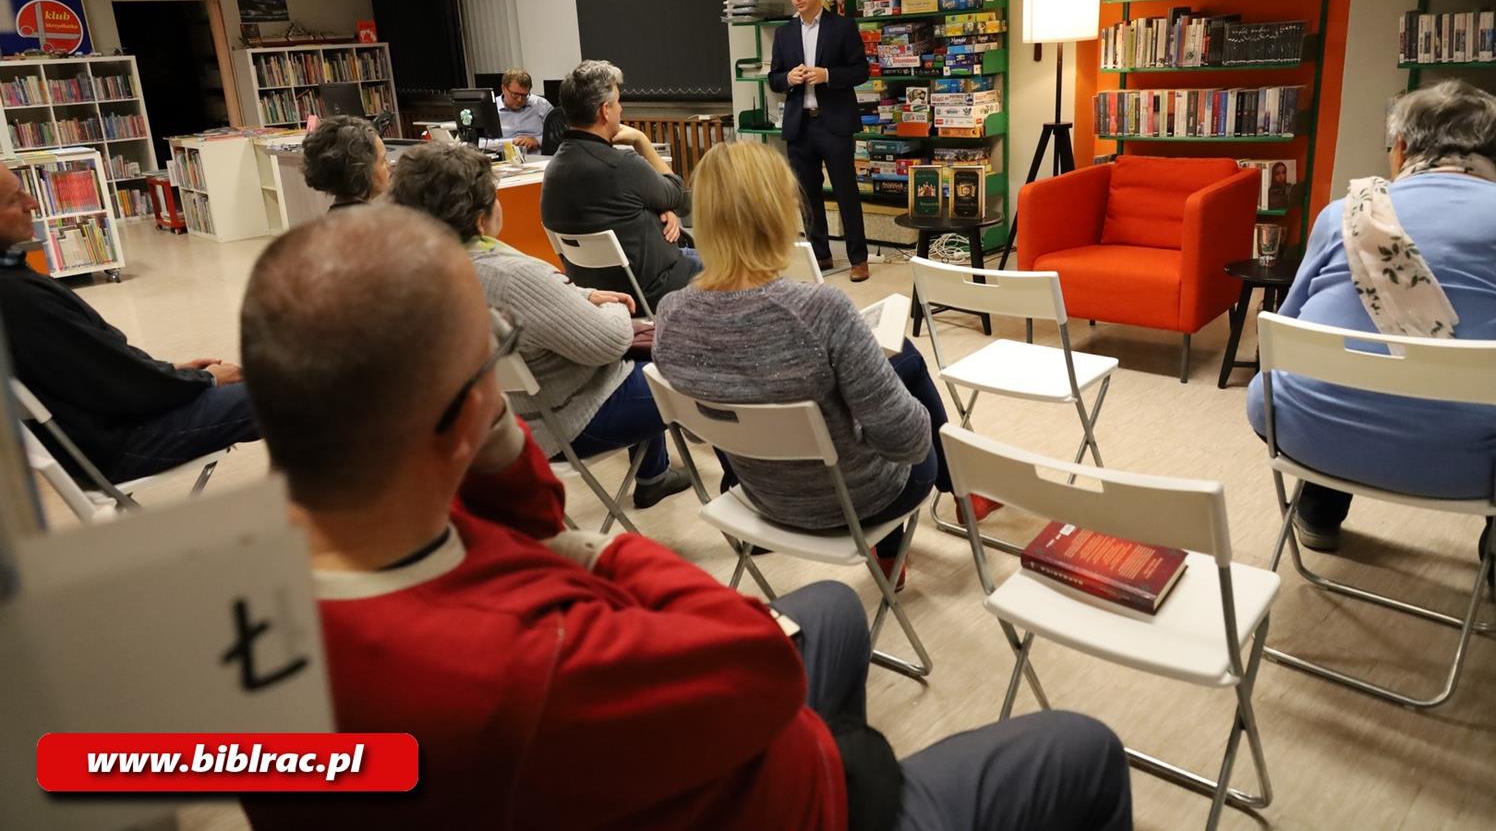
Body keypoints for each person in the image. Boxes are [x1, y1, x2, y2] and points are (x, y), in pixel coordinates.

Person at [237, 204, 1132, 831]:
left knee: (829, 609)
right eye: (494, 358)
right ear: (469, 407)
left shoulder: (239, 598)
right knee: (1082, 747)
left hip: (635, 757)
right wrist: (592, 549)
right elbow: (754, 662)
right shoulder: (538, 665)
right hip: (780, 794)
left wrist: (505, 463)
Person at [653, 142, 998, 590]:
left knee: (897, 365)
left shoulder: (671, 315)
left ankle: (932, 520)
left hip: (760, 498)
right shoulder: (821, 311)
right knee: (905, 362)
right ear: (782, 211)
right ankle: (955, 498)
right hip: (860, 501)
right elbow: (911, 444)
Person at [1247, 80, 1496, 555]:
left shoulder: (1343, 212)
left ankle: (1318, 509)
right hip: (1467, 463)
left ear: (1400, 148)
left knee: (1310, 377)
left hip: (1305, 430)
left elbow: (1285, 325)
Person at [389, 141, 691, 508]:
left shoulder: (418, 271)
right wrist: (617, 307)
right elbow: (610, 342)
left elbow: (545, 303)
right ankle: (742, 493)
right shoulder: (509, 275)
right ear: (481, 216)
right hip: (568, 420)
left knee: (648, 359)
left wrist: (586, 296)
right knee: (705, 371)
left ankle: (654, 476)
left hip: (504, 416)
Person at [0, 169, 258, 482]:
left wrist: (173, 371)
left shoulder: (15, 279)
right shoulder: (18, 298)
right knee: (287, 391)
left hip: (107, 427)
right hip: (118, 442)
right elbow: (115, 382)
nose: (32, 203)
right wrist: (206, 379)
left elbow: (94, 365)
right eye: (14, 199)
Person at [540, 60, 698, 312]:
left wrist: (660, 206)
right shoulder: (622, 165)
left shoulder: (554, 169)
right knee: (733, 266)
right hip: (653, 289)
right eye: (618, 102)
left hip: (596, 292)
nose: (621, 108)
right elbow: (681, 198)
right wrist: (641, 141)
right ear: (605, 110)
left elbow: (615, 207)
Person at [770, 0, 872, 282]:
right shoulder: (784, 33)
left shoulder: (842, 27)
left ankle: (859, 259)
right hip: (800, 125)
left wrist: (827, 75)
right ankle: (820, 255)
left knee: (846, 192)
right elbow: (773, 78)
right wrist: (789, 77)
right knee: (807, 195)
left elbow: (861, 71)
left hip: (834, 124)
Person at [301, 114, 391, 210]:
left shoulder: (332, 216)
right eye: (383, 161)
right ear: (359, 170)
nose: (389, 166)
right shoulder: (378, 219)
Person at [494, 68, 554, 152]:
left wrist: (537, 140)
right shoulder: (491, 108)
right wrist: (509, 143)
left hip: (536, 157)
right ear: (503, 88)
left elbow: (558, 133)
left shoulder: (541, 104)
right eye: (515, 94)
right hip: (503, 157)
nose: (519, 100)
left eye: (524, 95)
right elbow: (481, 142)